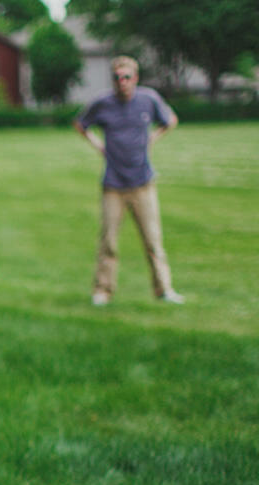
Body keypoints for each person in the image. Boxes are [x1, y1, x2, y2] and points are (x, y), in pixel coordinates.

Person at [74, 55, 183, 306]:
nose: (122, 82)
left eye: (127, 77)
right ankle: (103, 291)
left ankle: (164, 290)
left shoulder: (148, 99)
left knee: (153, 241)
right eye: (117, 78)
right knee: (109, 242)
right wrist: (98, 146)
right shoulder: (102, 103)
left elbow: (170, 120)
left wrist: (152, 139)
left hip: (143, 183)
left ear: (135, 78)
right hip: (113, 185)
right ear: (112, 80)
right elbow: (81, 124)